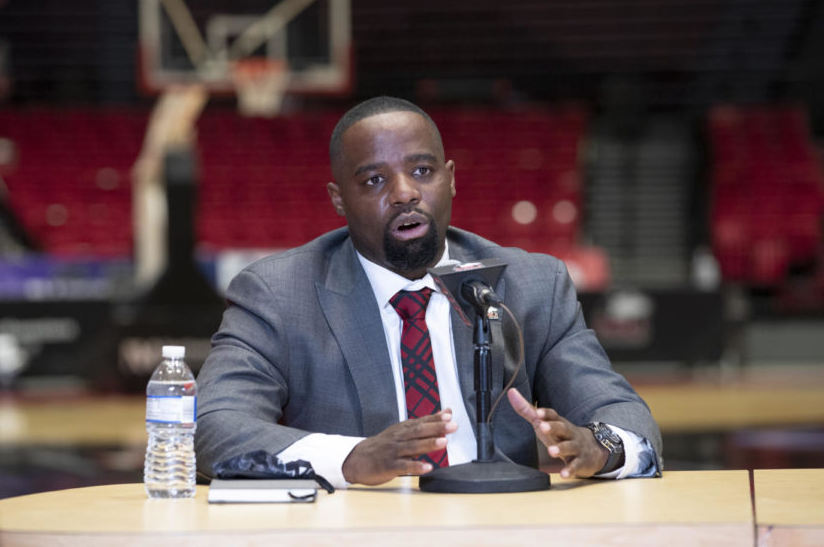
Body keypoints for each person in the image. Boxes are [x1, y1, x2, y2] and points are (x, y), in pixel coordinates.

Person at [196, 96, 662, 488]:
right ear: (339, 199)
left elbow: (625, 418)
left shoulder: (530, 284)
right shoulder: (278, 295)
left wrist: (599, 447)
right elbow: (215, 430)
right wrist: (352, 459)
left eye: (422, 170)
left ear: (451, 178)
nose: (404, 193)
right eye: (374, 180)